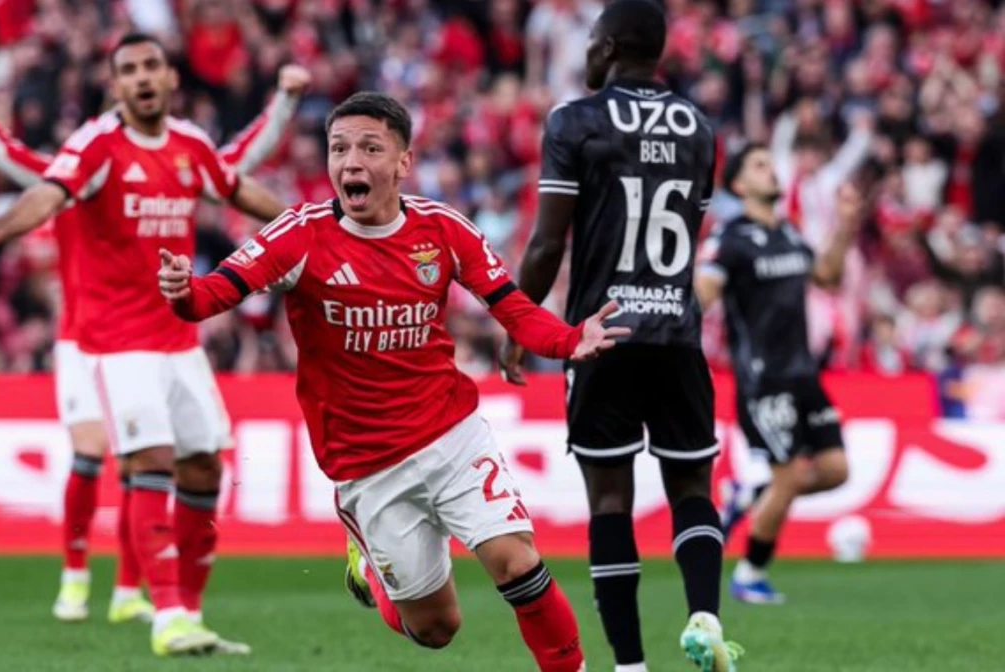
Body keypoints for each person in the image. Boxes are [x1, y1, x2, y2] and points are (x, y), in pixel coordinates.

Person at [158, 91, 631, 672]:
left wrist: (566, 340)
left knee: (517, 563)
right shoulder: (299, 235)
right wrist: (185, 292)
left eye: (369, 148)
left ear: (403, 162)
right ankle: (370, 569)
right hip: (367, 465)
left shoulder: (442, 229)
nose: (350, 162)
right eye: (339, 149)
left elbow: (511, 306)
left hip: (452, 434)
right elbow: (213, 295)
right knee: (436, 630)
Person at [0, 46, 306, 629]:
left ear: (169, 77)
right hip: (94, 339)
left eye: (150, 68)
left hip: (176, 334)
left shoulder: (187, 147)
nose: (141, 80)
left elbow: (234, 172)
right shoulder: (85, 155)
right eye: (128, 71)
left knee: (191, 465)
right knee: (110, 456)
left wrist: (306, 222)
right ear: (112, 85)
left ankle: (141, 595)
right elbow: (13, 166)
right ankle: (83, 580)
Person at [499, 2, 742, 670]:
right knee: (692, 488)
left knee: (611, 500)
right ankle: (705, 616)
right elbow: (688, 231)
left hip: (601, 336)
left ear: (605, 45)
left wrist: (520, 319)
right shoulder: (700, 126)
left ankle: (630, 666)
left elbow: (549, 241)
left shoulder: (575, 120)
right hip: (676, 332)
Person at [696, 144, 857, 604]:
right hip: (764, 379)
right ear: (740, 185)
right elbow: (706, 289)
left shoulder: (788, 232)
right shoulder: (730, 238)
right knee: (788, 477)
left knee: (835, 470)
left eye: (771, 163)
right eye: (760, 166)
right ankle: (749, 574)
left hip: (805, 374)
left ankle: (749, 496)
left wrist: (845, 223)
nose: (772, 172)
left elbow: (826, 276)